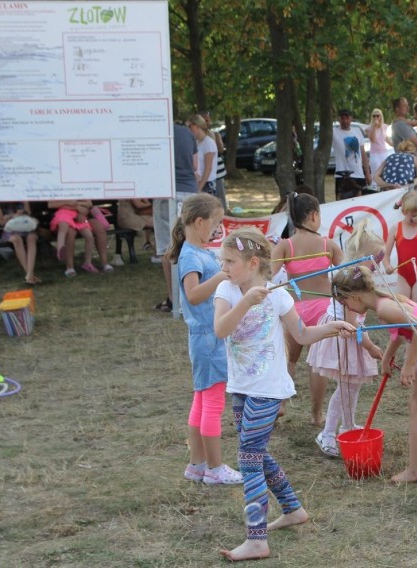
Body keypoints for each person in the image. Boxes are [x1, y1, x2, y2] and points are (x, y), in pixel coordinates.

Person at [214, 228, 354, 562]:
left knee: (248, 455)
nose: (224, 267)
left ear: (253, 263)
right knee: (257, 453)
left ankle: (257, 538)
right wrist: (246, 301)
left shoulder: (279, 295)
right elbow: (221, 329)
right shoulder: (226, 289)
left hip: (269, 388)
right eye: (223, 260)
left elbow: (302, 335)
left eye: (230, 261)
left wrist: (333, 328)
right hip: (240, 386)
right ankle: (293, 509)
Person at [331, 265, 417, 483]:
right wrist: (386, 359)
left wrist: (409, 364)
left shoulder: (385, 307)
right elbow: (400, 333)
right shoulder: (387, 300)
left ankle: (415, 471)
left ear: (354, 296)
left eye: (344, 302)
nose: (348, 308)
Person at [167, 194, 241, 486]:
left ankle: (197, 465)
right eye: (216, 223)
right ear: (199, 222)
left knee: (201, 400)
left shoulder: (198, 250)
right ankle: (215, 467)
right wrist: (222, 277)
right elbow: (194, 295)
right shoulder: (190, 256)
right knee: (212, 403)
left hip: (208, 338)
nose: (217, 228)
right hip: (208, 339)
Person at [307, 220, 384, 456]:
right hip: (347, 339)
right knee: (345, 389)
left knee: (352, 387)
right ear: (363, 258)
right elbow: (352, 326)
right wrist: (370, 347)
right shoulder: (353, 282)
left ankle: (347, 425)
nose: (378, 265)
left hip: (350, 337)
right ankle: (328, 433)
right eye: (376, 260)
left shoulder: (352, 275)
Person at [271, 192, 344, 425]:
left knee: (288, 360)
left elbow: (268, 276)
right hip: (322, 308)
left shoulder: (285, 246)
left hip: (294, 309)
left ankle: (281, 405)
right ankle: (316, 414)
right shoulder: (328, 245)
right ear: (314, 216)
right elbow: (346, 275)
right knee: (317, 363)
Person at [153, 123, 198, 312]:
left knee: (167, 247)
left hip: (166, 193)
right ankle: (192, 294)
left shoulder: (155, 132)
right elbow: (195, 165)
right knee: (193, 246)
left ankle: (174, 298)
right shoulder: (187, 133)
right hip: (189, 192)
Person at [47, 199, 105, 277]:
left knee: (89, 236)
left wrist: (77, 205)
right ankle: (60, 250)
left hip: (77, 216)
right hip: (64, 215)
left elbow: (89, 203)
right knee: (65, 228)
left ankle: (88, 263)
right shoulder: (59, 192)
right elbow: (50, 204)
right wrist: (69, 203)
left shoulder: (77, 190)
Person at [0, 201, 40, 285]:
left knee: (31, 238)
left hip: (26, 227)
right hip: (11, 230)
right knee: (16, 239)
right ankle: (29, 274)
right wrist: (12, 216)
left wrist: (23, 214)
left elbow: (29, 215)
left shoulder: (22, 198)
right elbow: (2, 222)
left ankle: (29, 275)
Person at [332, 108, 371, 199]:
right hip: (341, 175)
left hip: (358, 175)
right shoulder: (334, 132)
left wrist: (368, 173)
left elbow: (363, 154)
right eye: (342, 118)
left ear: (351, 118)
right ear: (339, 119)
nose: (345, 121)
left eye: (347, 118)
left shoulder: (357, 132)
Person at [187, 114, 218, 197]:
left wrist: (199, 188)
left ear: (196, 125)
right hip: (198, 182)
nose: (189, 129)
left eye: (190, 126)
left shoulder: (208, 143)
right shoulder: (197, 142)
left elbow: (208, 168)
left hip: (207, 183)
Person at [366, 108, 393, 177]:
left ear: (381, 116)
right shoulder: (369, 129)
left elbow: (387, 139)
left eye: (377, 116)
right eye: (374, 116)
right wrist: (374, 127)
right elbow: (373, 140)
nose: (376, 117)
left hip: (383, 153)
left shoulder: (384, 127)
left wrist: (397, 145)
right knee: (375, 174)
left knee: (385, 174)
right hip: (375, 155)